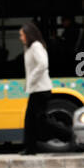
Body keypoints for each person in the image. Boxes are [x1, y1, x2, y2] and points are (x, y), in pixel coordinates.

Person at [20, 22, 71, 155]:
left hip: (41, 89)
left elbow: (43, 64)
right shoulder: (30, 47)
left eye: (22, 35)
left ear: (28, 34)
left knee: (38, 119)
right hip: (37, 89)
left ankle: (68, 135)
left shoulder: (36, 46)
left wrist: (32, 78)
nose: (21, 38)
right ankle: (30, 148)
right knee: (32, 119)